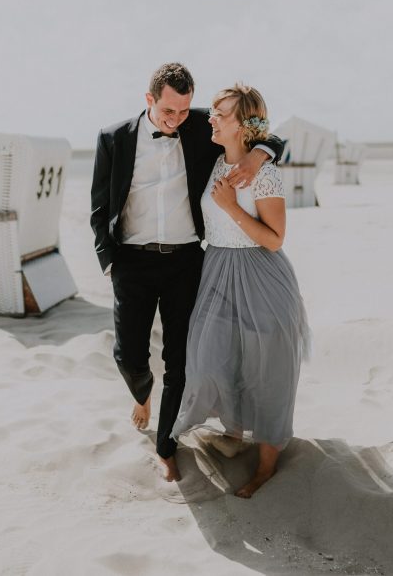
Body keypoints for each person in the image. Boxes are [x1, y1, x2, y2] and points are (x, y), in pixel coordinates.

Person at [90, 63, 283, 482]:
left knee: (179, 361)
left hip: (186, 263)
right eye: (168, 112)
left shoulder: (201, 127)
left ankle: (166, 446)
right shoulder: (113, 138)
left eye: (183, 111)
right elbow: (99, 205)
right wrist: (109, 261)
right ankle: (142, 394)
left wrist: (258, 153)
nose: (176, 120)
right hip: (131, 262)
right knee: (129, 356)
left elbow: (269, 135)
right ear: (149, 100)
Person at [170, 83, 311, 498]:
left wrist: (233, 205)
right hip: (216, 270)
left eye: (221, 113)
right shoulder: (215, 158)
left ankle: (266, 466)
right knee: (211, 360)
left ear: (246, 125)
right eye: (212, 111)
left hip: (260, 275)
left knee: (268, 372)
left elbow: (275, 239)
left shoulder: (265, 173)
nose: (210, 118)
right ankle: (232, 431)